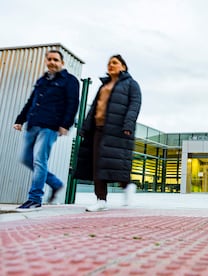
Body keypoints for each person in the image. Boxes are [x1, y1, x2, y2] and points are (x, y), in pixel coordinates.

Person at [13, 50, 80, 211]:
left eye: (55, 59)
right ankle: (55, 183)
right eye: (49, 59)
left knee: (39, 160)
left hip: (50, 126)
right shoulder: (42, 80)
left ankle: (35, 199)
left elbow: (73, 104)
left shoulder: (70, 81)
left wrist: (66, 124)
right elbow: (32, 101)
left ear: (62, 63)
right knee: (25, 158)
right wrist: (20, 120)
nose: (52, 62)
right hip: (33, 123)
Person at [73, 54, 141, 212]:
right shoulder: (103, 86)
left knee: (116, 163)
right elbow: (94, 108)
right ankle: (101, 199)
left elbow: (135, 105)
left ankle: (127, 185)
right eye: (109, 63)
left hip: (118, 129)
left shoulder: (131, 84)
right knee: (98, 165)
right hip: (99, 129)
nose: (111, 65)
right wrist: (85, 127)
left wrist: (128, 124)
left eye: (115, 63)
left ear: (123, 67)